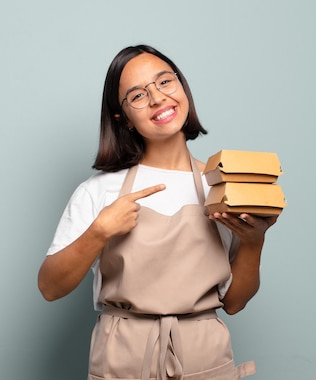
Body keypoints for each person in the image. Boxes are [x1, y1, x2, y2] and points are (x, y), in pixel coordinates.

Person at [38, 44, 279, 380]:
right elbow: (50, 287)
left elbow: (235, 303)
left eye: (165, 82)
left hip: (204, 355)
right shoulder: (98, 191)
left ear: (182, 88)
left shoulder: (222, 188)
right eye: (138, 95)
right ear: (123, 118)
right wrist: (100, 231)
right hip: (123, 356)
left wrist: (255, 241)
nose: (157, 98)